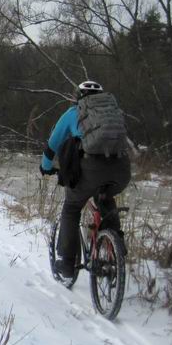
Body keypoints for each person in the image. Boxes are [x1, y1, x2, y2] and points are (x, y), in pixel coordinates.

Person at [40, 80, 131, 278]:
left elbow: (52, 144)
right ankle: (117, 248)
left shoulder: (74, 113)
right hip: (122, 169)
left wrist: (45, 167)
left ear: (78, 97)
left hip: (91, 170)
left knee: (71, 209)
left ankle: (66, 263)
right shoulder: (113, 113)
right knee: (105, 198)